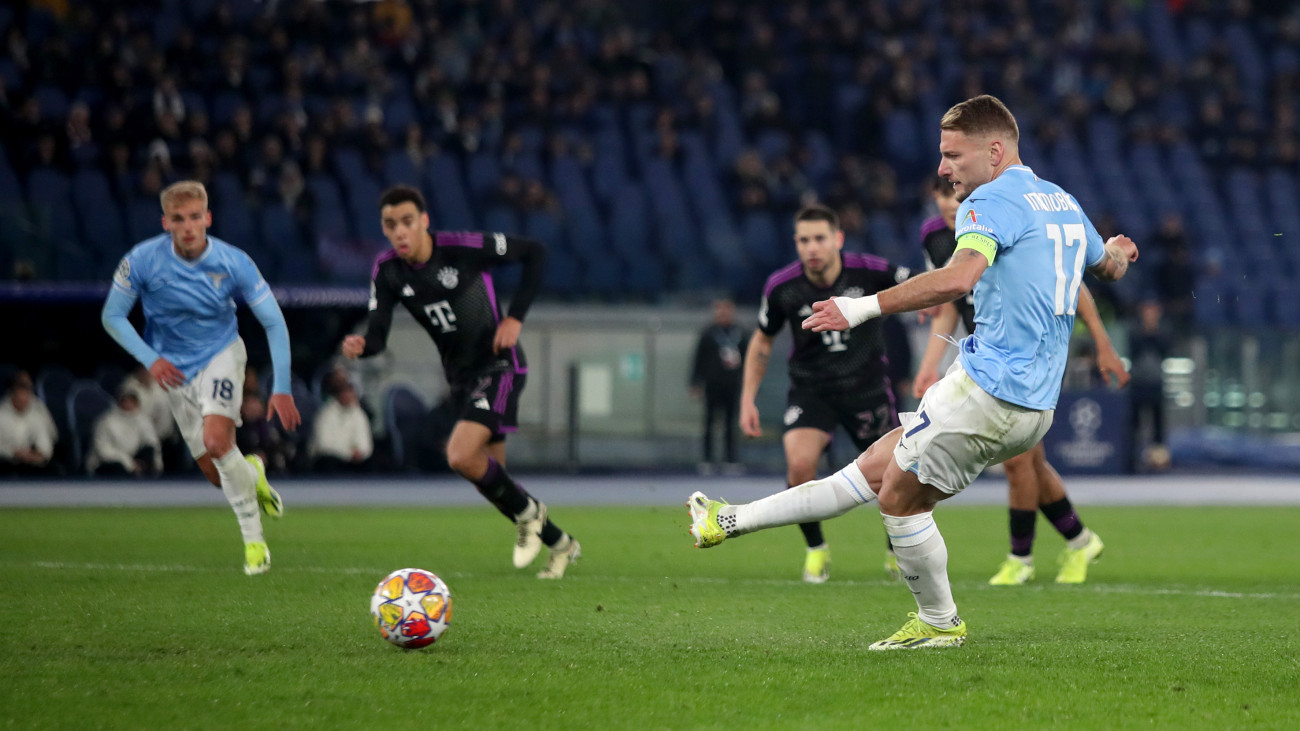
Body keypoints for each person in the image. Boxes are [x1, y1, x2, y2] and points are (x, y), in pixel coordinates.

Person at [688, 95, 1139, 649]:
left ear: (994, 151)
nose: (944, 168)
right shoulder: (1062, 203)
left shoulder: (989, 203)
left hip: (990, 392)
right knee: (869, 472)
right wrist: (1117, 249)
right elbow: (1109, 268)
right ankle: (727, 521)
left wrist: (859, 307)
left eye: (954, 155)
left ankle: (939, 622)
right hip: (1034, 404)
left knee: (898, 499)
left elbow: (957, 279)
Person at [341, 184, 580, 579]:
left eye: (407, 222)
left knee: (459, 455)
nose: (400, 231)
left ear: (424, 222)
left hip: (500, 366)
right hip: (462, 379)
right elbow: (378, 338)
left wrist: (515, 318)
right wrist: (361, 346)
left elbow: (535, 252)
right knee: (492, 479)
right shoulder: (388, 271)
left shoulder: (461, 248)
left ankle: (531, 516)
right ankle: (560, 543)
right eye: (390, 225)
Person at [912, 175, 1130, 586]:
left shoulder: (1007, 212)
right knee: (1030, 461)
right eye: (939, 194)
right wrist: (930, 362)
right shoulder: (937, 237)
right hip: (985, 357)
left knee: (1019, 461)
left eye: (950, 191)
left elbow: (1072, 282)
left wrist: (1102, 342)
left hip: (1030, 352)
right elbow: (951, 300)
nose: (946, 202)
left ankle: (1021, 558)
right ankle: (1079, 539)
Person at [101, 180, 300, 575]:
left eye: (195, 217)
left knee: (216, 441)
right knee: (216, 472)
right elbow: (112, 316)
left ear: (208, 218)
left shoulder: (233, 261)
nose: (188, 226)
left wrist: (282, 387)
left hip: (221, 355)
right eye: (179, 219)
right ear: (166, 223)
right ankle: (253, 471)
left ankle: (254, 542)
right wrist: (151, 360)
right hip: (174, 373)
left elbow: (274, 322)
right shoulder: (141, 260)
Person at [738, 203, 910, 583]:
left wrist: (931, 305)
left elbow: (917, 283)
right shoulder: (782, 286)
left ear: (838, 239)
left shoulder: (870, 270)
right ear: (796, 244)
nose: (812, 247)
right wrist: (747, 397)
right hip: (811, 389)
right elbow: (762, 341)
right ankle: (816, 550)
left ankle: (897, 551)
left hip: (866, 389)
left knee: (896, 474)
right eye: (803, 240)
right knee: (799, 467)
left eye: (819, 238)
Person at [689, 298, 748, 473]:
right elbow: (698, 359)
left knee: (731, 423)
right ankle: (707, 459)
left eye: (726, 310)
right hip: (712, 384)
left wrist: (750, 385)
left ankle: (731, 460)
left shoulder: (740, 333)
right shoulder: (708, 333)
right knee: (709, 422)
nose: (723, 313)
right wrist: (695, 383)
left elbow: (749, 361)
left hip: (733, 384)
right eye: (719, 310)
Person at [1128, 300, 1172, 471]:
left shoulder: (1164, 331)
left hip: (1155, 383)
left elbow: (1166, 349)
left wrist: (1153, 332)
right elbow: (1133, 350)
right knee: (1135, 424)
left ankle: (1158, 460)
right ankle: (1132, 459)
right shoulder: (1134, 330)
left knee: (1158, 425)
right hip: (1138, 383)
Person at [86, 385, 163, 477]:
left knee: (149, 452)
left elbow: (151, 441)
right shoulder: (105, 422)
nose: (128, 404)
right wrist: (129, 463)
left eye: (132, 401)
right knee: (118, 468)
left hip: (133, 461)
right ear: (119, 402)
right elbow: (103, 451)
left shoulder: (142, 420)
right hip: (108, 463)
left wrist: (157, 464)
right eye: (126, 400)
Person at [309, 373, 374, 473]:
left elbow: (365, 441)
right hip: (330, 459)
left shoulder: (359, 414)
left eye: (351, 392)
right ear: (339, 395)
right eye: (346, 392)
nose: (349, 396)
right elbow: (324, 444)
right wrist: (348, 453)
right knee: (330, 462)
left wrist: (360, 452)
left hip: (353, 461)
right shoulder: (325, 415)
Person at [0, 371, 60, 477]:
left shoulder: (37, 413)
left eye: (27, 394)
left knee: (53, 469)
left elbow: (45, 444)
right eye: (20, 394)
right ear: (13, 393)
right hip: (6, 462)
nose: (24, 399)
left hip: (31, 463)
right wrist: (15, 452)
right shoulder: (2, 413)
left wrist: (38, 455)